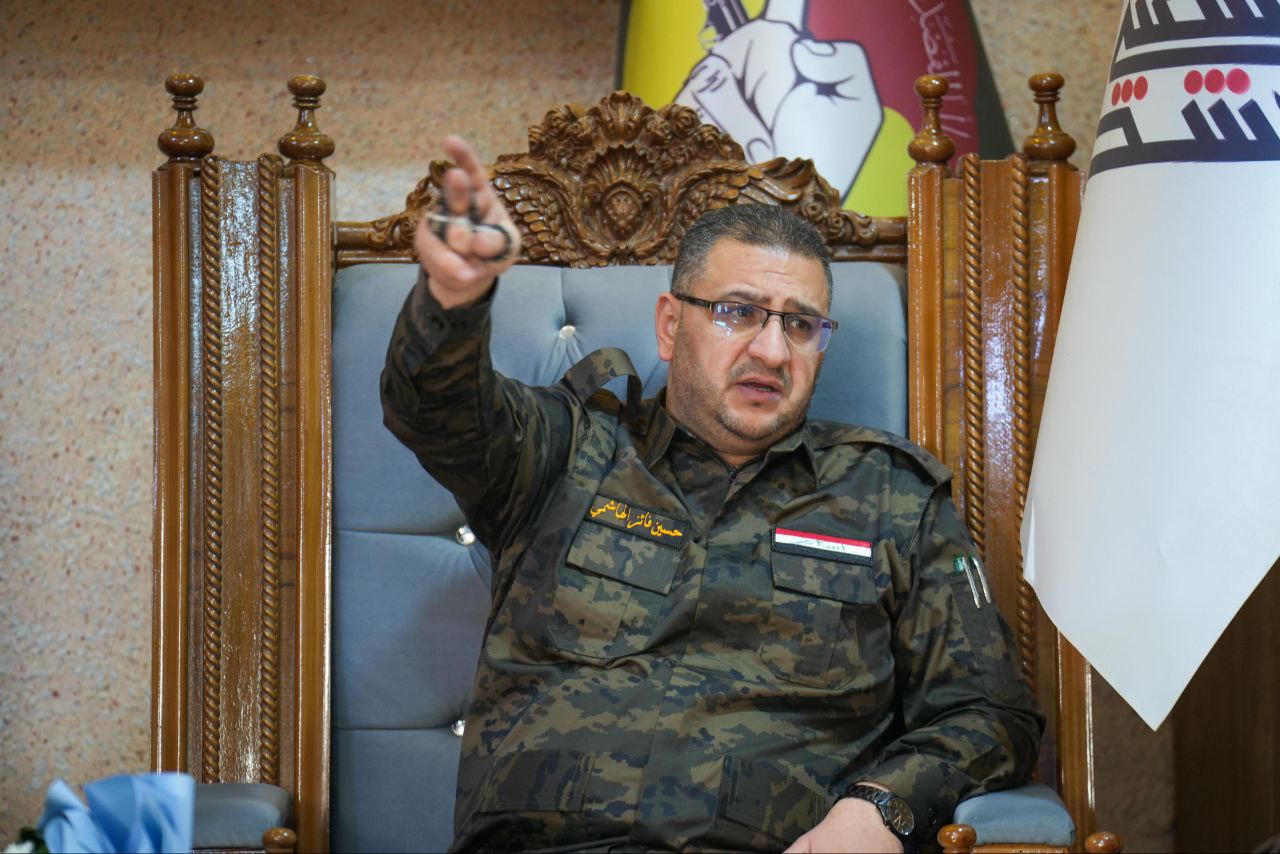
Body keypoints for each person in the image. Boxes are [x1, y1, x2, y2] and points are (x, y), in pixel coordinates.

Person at [381, 136, 1042, 853]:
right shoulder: (562, 449)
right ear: (671, 325)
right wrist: (451, 303)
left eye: (800, 325)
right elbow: (435, 407)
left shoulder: (891, 497)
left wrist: (883, 807)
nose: (772, 351)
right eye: (738, 312)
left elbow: (989, 712)